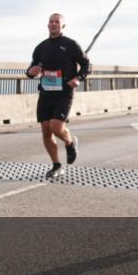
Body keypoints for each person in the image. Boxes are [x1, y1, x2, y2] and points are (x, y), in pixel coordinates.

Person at [26, 13, 90, 179]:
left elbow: (86, 65)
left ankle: (70, 142)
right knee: (46, 132)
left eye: (57, 22)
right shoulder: (41, 47)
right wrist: (30, 72)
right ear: (48, 25)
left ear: (63, 26)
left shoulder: (71, 45)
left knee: (56, 127)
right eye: (51, 22)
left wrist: (78, 78)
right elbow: (33, 68)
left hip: (64, 93)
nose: (54, 24)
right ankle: (56, 165)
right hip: (46, 94)